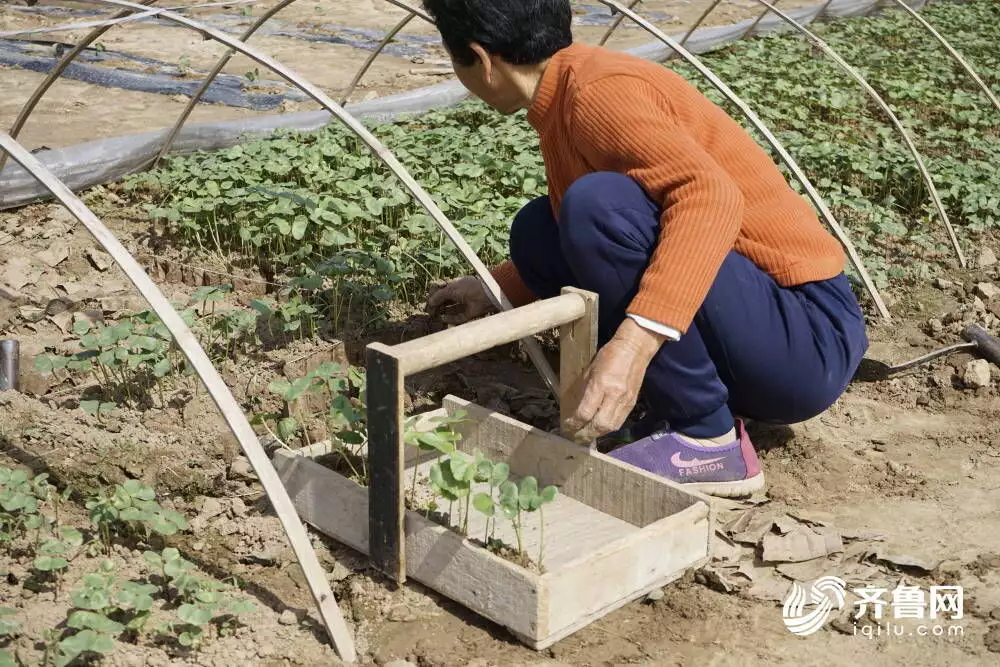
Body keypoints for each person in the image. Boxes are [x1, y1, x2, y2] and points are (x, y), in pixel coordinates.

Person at [421, 0, 868, 498]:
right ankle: (682, 403)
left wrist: (632, 347)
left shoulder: (598, 94)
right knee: (538, 231)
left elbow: (709, 196)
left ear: (481, 59)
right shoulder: (566, 92)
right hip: (764, 329)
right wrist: (497, 287)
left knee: (599, 205)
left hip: (806, 339)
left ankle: (706, 436)